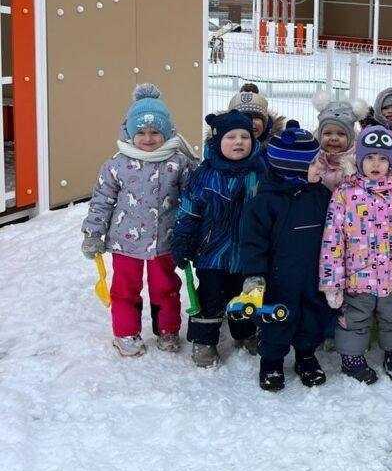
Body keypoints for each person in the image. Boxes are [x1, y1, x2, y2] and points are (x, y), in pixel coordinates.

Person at [81, 84, 196, 357]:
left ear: (167, 132)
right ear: (130, 133)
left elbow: (193, 198)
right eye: (141, 132)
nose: (148, 138)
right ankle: (125, 332)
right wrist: (93, 234)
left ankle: (167, 329)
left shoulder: (178, 162)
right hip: (125, 242)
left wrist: (192, 233)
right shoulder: (116, 165)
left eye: (155, 131)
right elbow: (101, 202)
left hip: (164, 241)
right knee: (125, 288)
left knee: (166, 287)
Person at [320, 126, 392, 383]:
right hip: (357, 275)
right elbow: (333, 239)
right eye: (370, 157)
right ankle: (352, 359)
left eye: (383, 158)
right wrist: (332, 283)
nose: (376, 164)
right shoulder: (345, 192)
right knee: (355, 317)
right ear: (359, 159)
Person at [238, 121, 333, 391]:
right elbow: (253, 243)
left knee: (312, 316)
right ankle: (271, 361)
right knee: (277, 320)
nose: (321, 166)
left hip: (313, 275)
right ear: (296, 169)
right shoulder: (264, 203)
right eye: (315, 163)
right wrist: (255, 276)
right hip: (278, 279)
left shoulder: (322, 196)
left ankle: (306, 355)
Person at [171, 110, 266, 368]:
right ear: (216, 142)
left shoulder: (261, 172)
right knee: (210, 298)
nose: (238, 142)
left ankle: (246, 333)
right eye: (231, 137)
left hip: (249, 254)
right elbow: (189, 210)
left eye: (244, 137)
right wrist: (183, 239)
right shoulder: (205, 174)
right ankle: (204, 340)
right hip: (212, 252)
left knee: (245, 296)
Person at [309, 94, 366, 191]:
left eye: (341, 134)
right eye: (327, 133)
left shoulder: (356, 160)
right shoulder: (314, 158)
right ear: (320, 135)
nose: (334, 138)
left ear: (350, 138)